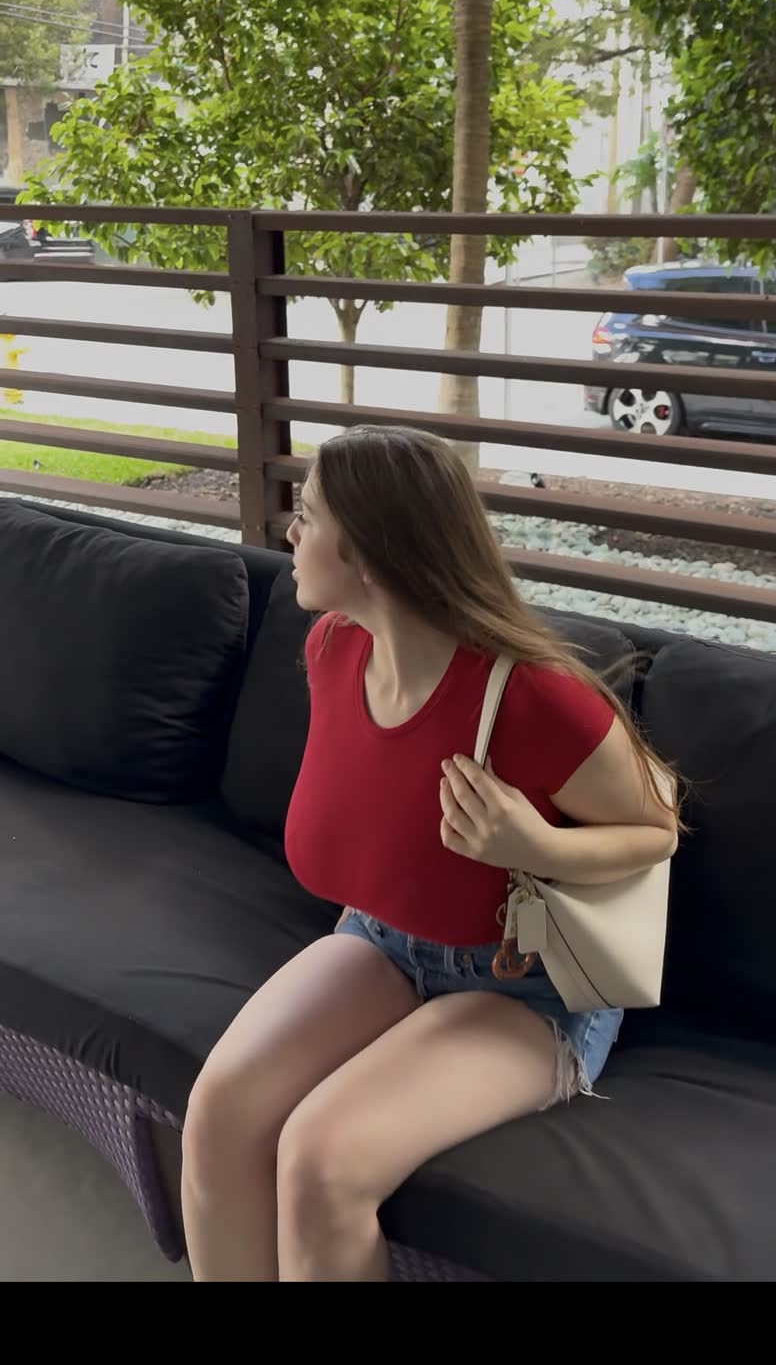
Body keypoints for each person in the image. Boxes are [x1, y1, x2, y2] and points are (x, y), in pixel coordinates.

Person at [181, 426, 678, 1282]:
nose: (290, 533)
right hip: (382, 941)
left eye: (309, 515)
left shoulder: (533, 697)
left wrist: (535, 844)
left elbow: (657, 830)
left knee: (320, 1162)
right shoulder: (334, 647)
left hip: (525, 985)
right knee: (221, 1112)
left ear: (371, 550)